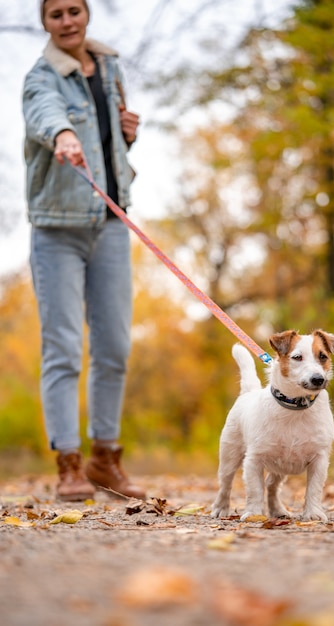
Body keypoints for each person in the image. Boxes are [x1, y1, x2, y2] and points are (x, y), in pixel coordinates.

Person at [23, 0, 145, 501]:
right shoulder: (40, 77)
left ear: (87, 13)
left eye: (75, 10)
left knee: (115, 346)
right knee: (64, 348)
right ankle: (68, 463)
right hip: (57, 229)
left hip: (111, 222)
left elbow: (109, 143)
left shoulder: (110, 67)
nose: (67, 20)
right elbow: (44, 113)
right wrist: (63, 133)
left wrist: (127, 138)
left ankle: (104, 459)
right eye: (56, 14)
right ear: (45, 22)